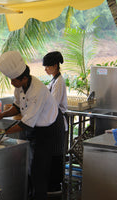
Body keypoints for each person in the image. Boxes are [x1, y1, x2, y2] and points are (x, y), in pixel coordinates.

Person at [0, 51, 65, 200]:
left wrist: (3, 132)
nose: (12, 83)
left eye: (14, 80)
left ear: (24, 78)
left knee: (39, 170)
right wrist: (1, 115)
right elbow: (17, 107)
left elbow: (26, 125)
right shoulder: (20, 86)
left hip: (48, 130)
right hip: (34, 127)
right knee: (28, 168)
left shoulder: (37, 91)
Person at [43, 51, 68, 194]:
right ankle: (51, 183)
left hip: (57, 120)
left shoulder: (59, 82)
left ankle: (55, 185)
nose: (45, 69)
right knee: (52, 153)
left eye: (47, 66)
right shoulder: (54, 80)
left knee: (56, 154)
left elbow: (53, 103)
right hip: (54, 120)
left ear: (54, 66)